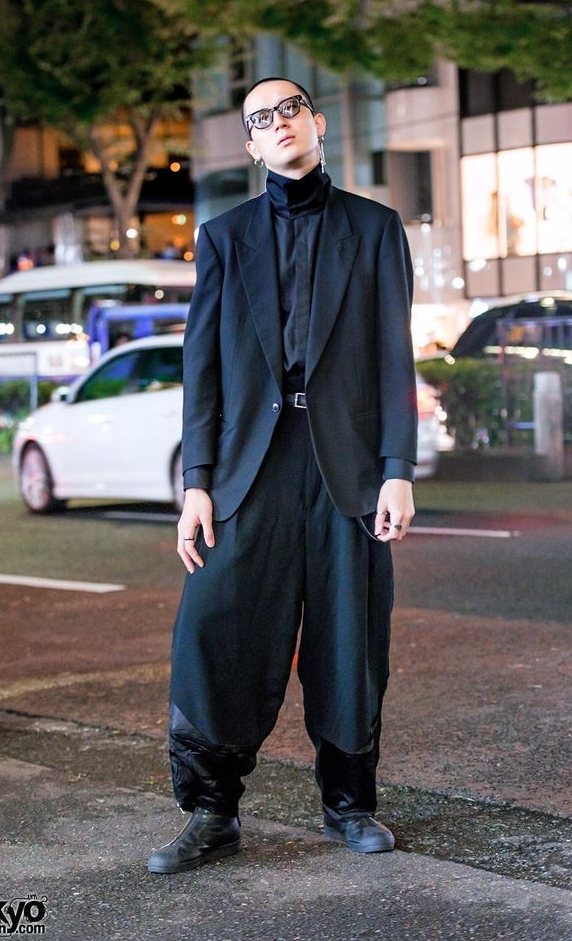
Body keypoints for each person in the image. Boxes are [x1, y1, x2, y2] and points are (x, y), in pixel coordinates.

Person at [148, 77, 418, 874]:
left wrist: (397, 470)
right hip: (245, 470)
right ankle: (211, 812)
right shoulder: (225, 236)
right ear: (252, 144)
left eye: (287, 109)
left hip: (348, 467)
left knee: (350, 638)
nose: (277, 124)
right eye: (259, 119)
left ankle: (349, 805)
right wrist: (196, 480)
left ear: (315, 123)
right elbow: (202, 370)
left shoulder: (373, 228)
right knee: (217, 628)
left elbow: (394, 358)